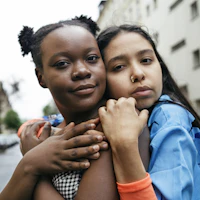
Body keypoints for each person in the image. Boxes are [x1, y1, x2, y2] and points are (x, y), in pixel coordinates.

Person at [0, 16, 154, 200]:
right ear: (41, 77)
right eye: (62, 63)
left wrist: (32, 165)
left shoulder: (117, 121)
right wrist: (31, 162)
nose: (82, 70)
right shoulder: (47, 136)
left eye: (91, 58)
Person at [96, 24, 200, 199]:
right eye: (119, 67)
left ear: (161, 68)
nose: (137, 73)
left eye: (146, 60)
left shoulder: (169, 116)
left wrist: (124, 146)